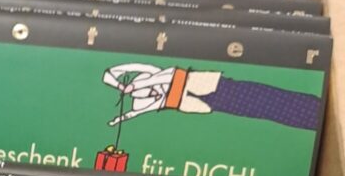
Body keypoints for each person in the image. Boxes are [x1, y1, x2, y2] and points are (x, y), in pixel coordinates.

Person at [103, 63, 321, 131]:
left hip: (213, 86)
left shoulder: (154, 75)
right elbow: (140, 111)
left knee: (258, 95)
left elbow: (165, 74)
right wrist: (120, 119)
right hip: (205, 104)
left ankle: (312, 108)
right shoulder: (144, 100)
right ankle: (307, 118)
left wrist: (128, 85)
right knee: (256, 110)